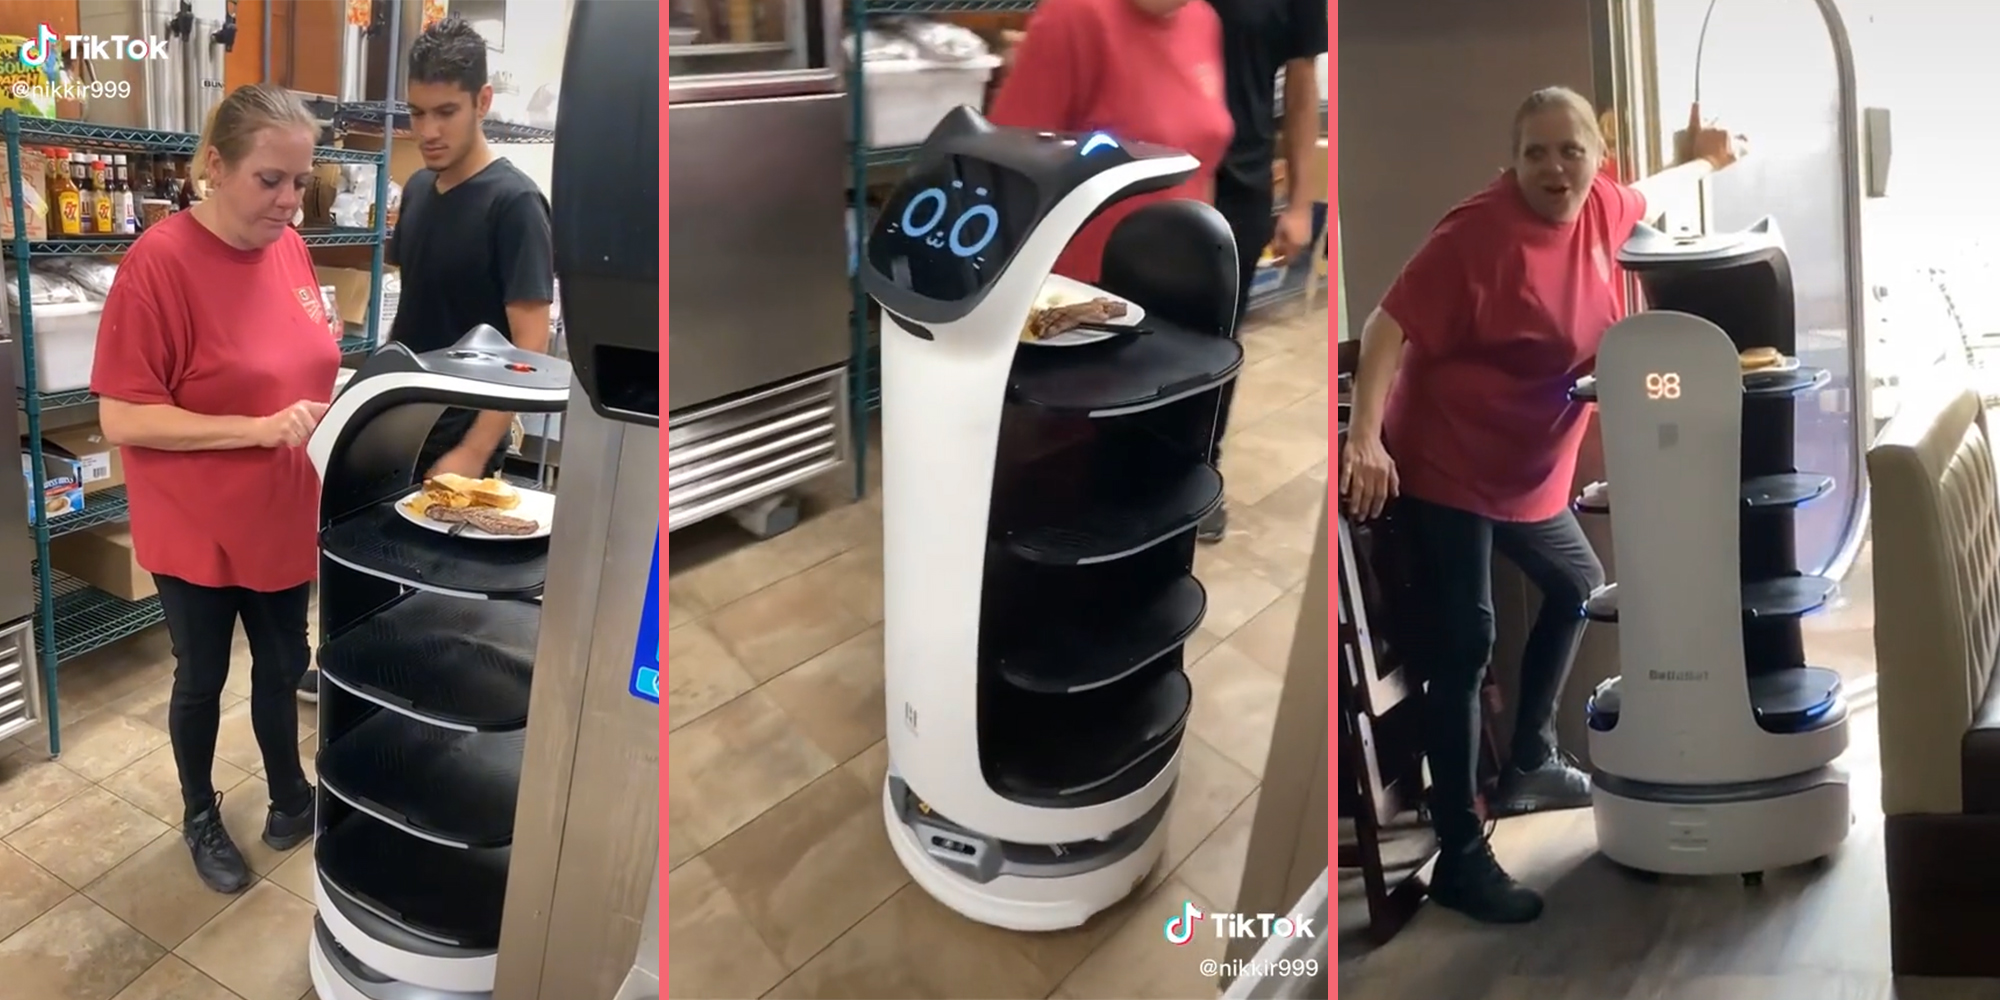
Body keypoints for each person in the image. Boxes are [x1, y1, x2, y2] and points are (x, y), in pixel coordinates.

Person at [1339, 91, 1748, 924]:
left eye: (1571, 151)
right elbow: (1387, 325)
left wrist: (1709, 159)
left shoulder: (1604, 206)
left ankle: (1529, 759)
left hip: (1529, 468)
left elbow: (1656, 188)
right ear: (1511, 160)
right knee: (1465, 643)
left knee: (1576, 584)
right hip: (1446, 455)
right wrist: (1363, 440)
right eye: (1536, 154)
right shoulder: (1477, 235)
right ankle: (1460, 853)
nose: (1554, 169)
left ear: (1599, 157)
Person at [90, 83, 338, 894]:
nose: (289, 200)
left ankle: (291, 795)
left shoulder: (290, 248)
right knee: (201, 676)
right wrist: (255, 429)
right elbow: (124, 418)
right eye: (270, 179)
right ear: (215, 165)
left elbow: (303, 363)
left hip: (282, 509)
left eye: (300, 181)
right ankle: (200, 812)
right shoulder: (158, 264)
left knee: (282, 662)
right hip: (197, 520)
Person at [296, 14, 554, 702]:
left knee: (441, 591)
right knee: (367, 562)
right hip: (397, 417)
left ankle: (419, 706)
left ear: (483, 103)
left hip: (463, 430)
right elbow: (417, 311)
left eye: (447, 111)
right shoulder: (416, 193)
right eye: (417, 112)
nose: (429, 130)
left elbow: (531, 347)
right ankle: (357, 676)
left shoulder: (516, 204)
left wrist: (475, 448)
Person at [986, 0, 1236, 286]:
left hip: (1177, 279)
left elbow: (1203, 160)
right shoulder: (1074, 15)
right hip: (1086, 290)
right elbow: (1010, 162)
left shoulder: (1203, 21)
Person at [1197, 0, 1326, 543]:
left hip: (1238, 189)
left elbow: (1299, 94)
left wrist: (1298, 202)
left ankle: (1199, 476)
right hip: (1152, 170)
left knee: (1215, 344)